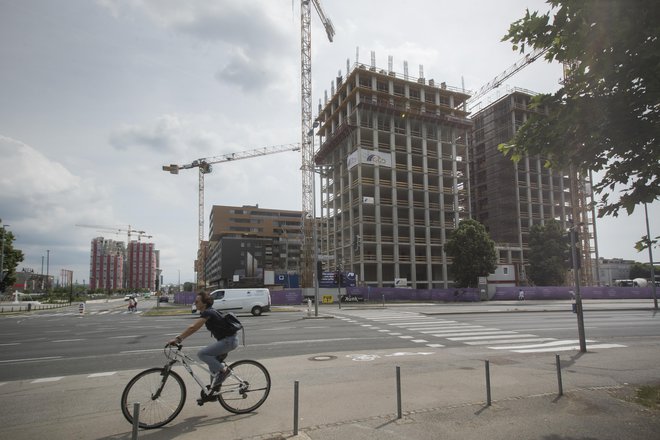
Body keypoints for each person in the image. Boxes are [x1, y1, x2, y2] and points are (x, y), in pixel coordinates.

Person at [167, 291, 239, 391]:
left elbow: (193, 328)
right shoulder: (209, 312)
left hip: (229, 341)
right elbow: (194, 328)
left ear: (204, 303)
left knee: (202, 354)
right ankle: (214, 391)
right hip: (228, 341)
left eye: (197, 302)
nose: (195, 303)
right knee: (212, 364)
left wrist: (178, 338)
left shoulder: (208, 312)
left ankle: (225, 372)